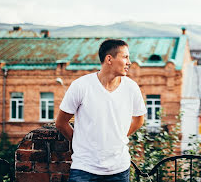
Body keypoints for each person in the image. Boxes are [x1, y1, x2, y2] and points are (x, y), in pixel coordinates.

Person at [56, 39, 147, 182]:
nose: (129, 62)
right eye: (125, 57)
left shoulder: (132, 88)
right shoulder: (81, 86)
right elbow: (61, 123)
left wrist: (119, 137)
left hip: (119, 170)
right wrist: (81, 142)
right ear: (109, 59)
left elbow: (139, 120)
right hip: (84, 169)